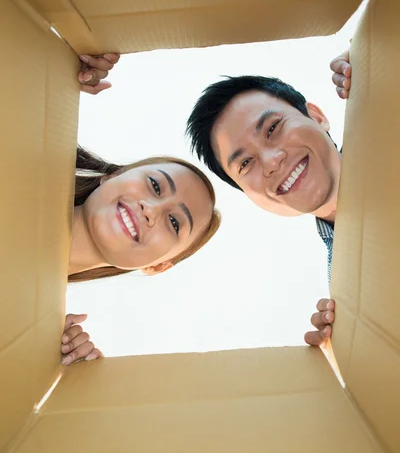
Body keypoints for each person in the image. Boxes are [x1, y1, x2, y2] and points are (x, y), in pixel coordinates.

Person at [61, 55, 221, 365]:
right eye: (156, 186)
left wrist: (63, 366)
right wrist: (59, 72)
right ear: (115, 175)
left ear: (158, 266)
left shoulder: (45, 326)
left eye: (174, 223)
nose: (151, 209)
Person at [185, 51, 352, 348]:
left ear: (316, 116)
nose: (272, 161)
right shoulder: (345, 284)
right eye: (245, 164)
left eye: (273, 128)